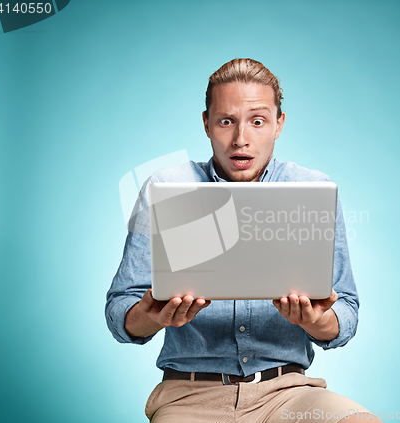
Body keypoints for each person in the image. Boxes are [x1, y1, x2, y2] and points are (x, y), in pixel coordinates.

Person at [106, 58, 380, 422]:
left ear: (278, 124)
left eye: (257, 121)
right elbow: (119, 311)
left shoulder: (310, 190)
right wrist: (151, 317)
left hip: (288, 395)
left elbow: (346, 308)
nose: (241, 138)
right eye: (226, 121)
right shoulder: (167, 189)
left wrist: (317, 322)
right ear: (206, 124)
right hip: (188, 397)